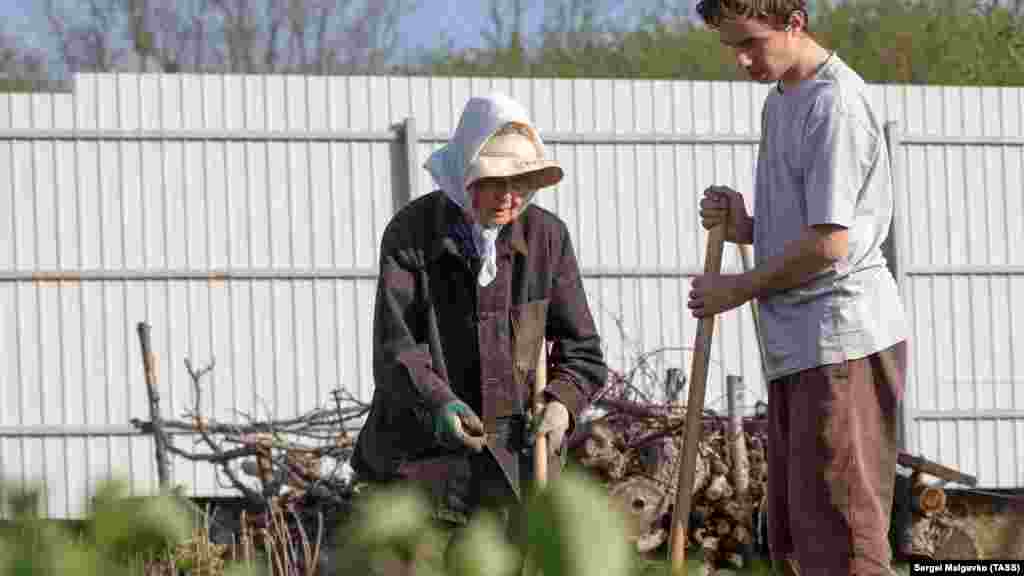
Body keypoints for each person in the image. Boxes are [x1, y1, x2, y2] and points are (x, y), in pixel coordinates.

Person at [688, 1, 909, 575]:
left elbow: (831, 244)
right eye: (731, 47)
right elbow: (803, 230)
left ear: (794, 21)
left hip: (841, 344)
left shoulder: (834, 103)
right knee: (799, 541)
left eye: (751, 43)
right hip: (798, 346)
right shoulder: (781, 99)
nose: (741, 60)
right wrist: (746, 228)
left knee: (845, 544)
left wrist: (738, 288)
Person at [350, 92, 608, 573]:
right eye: (496, 182)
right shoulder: (412, 234)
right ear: (466, 171)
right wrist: (438, 402)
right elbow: (395, 349)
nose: (510, 197)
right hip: (419, 467)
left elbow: (584, 354)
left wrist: (561, 404)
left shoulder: (547, 238)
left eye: (523, 183)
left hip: (512, 474)